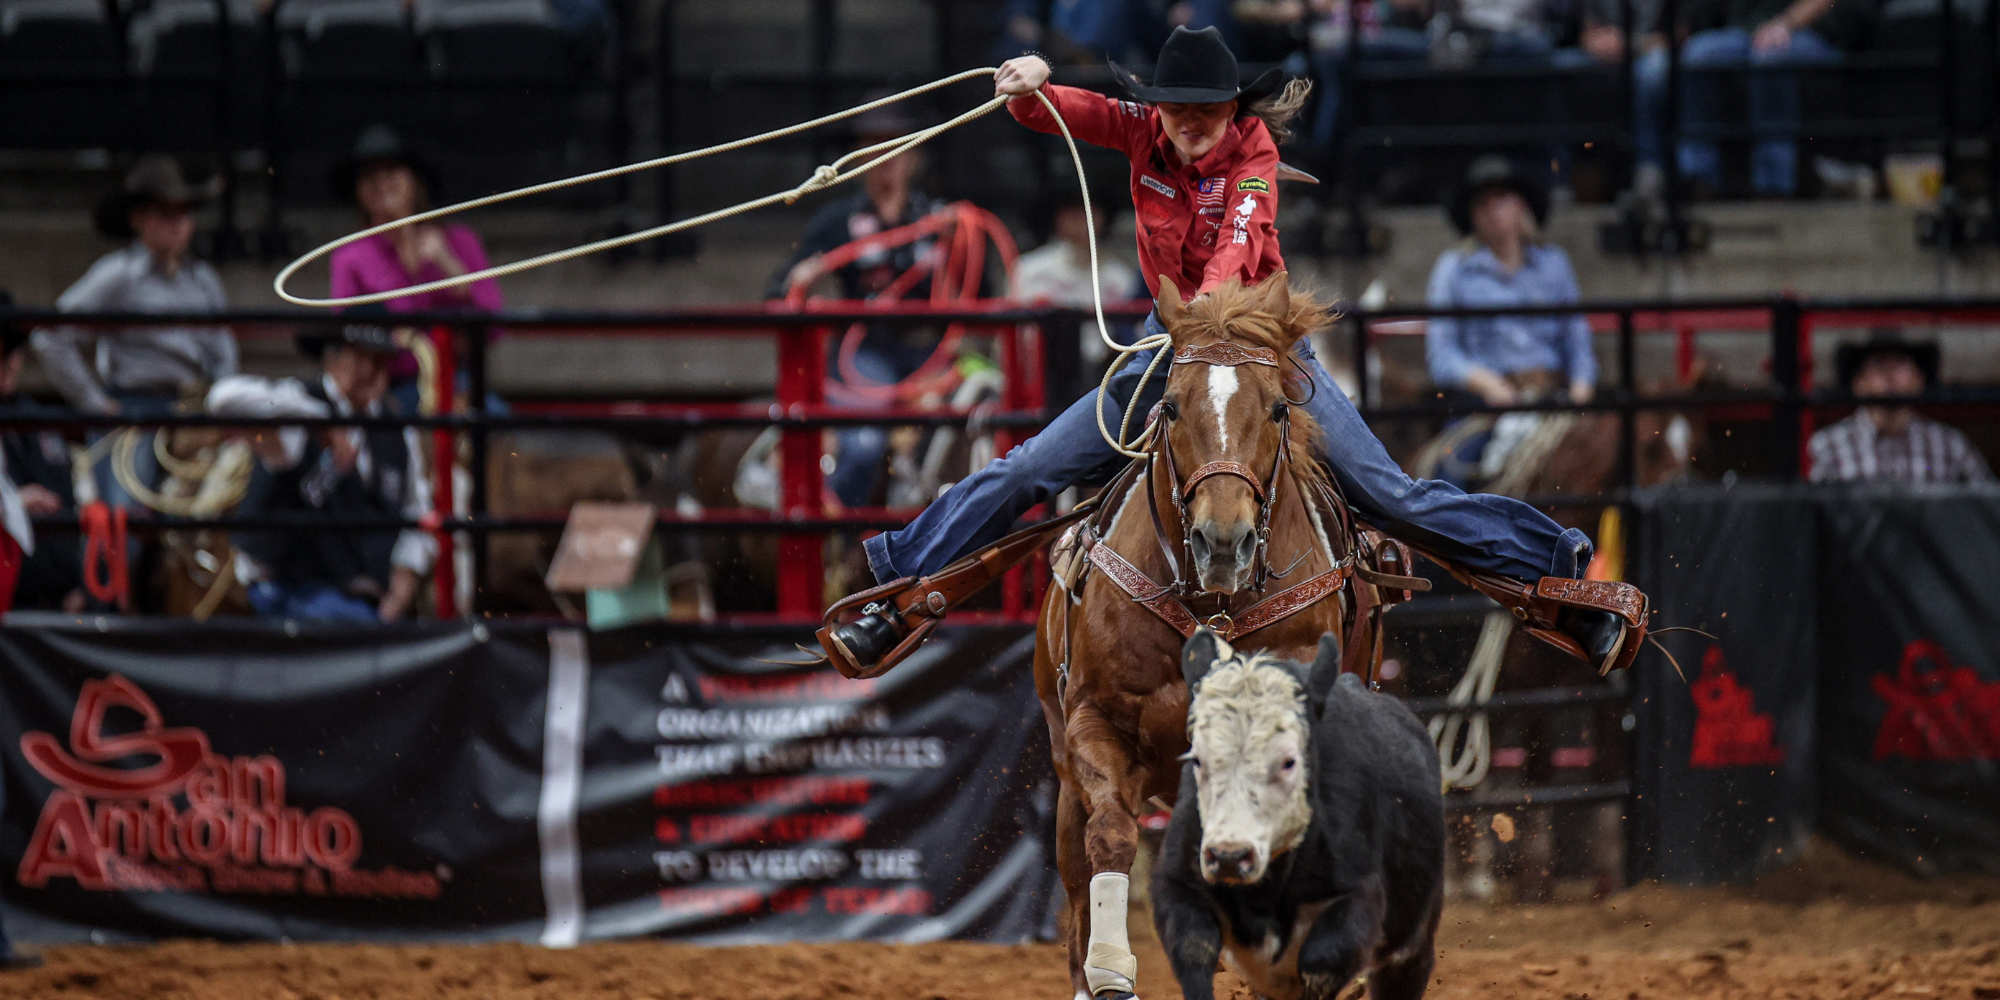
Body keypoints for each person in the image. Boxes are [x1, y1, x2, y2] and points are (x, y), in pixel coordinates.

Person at [828, 26, 1628, 673]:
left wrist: (1202, 315)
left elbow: (1238, 250)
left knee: (1392, 495)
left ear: (1231, 108)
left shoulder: (1252, 158)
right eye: (1176, 108)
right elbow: (1063, 114)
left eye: (1205, 109)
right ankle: (890, 591)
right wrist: (1031, 85)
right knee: (1032, 466)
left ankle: (1555, 579)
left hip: (1260, 350)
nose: (1189, 122)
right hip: (1166, 347)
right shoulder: (1143, 132)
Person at [766, 102, 958, 508]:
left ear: (913, 155)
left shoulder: (944, 220)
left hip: (932, 356)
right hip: (867, 356)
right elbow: (780, 287)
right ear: (857, 158)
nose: (883, 157)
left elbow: (982, 292)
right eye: (872, 145)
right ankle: (844, 546)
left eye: (894, 145)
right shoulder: (838, 221)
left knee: (981, 431)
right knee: (864, 446)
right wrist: (801, 281)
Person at [33, 155, 237, 515]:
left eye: (184, 213)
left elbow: (223, 351)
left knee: (213, 510)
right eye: (165, 213)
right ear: (139, 219)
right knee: (124, 520)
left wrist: (221, 404)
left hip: (192, 410)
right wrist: (94, 403)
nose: (178, 225)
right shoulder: (118, 275)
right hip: (133, 410)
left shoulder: (203, 280)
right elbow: (50, 336)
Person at [223, 320, 436, 621]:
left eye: (380, 361)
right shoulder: (296, 408)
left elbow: (418, 515)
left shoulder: (398, 433)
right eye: (361, 358)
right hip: (291, 589)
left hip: (366, 599)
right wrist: (318, 420)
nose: (371, 372)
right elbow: (224, 399)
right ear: (332, 359)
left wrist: (403, 581)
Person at [1424, 156, 1597, 485]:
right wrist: (1488, 384)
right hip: (1483, 410)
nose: (1492, 209)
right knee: (1450, 478)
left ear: (1522, 206)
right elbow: (1441, 356)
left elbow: (1578, 342)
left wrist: (1580, 391)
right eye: (1482, 202)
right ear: (1472, 214)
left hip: (1553, 400)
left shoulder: (1554, 264)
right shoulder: (1454, 269)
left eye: (1501, 197)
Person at [329, 124, 503, 414]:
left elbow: (494, 326)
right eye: (370, 176)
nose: (381, 182)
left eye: (392, 171)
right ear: (358, 191)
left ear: (415, 182)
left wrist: (450, 267)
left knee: (496, 423)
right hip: (389, 388)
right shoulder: (350, 257)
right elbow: (346, 333)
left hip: (458, 382)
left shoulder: (460, 241)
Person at [1677, 0, 1848, 197]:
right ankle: (1698, 176)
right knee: (1698, 53)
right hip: (1747, 33)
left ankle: (1774, 184)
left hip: (1808, 33)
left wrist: (1785, 23)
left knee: (1769, 57)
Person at [1808, 333, 1991, 484]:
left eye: (1900, 363)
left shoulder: (1949, 447)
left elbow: (1987, 513)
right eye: (1879, 364)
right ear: (1859, 382)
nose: (1890, 374)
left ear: (1919, 380)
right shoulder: (1827, 449)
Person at [0, 297, 83, 614]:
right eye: (3, 354)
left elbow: (67, 501)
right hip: (11, 599)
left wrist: (78, 583)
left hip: (56, 597)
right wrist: (14, 503)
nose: (10, 364)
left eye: (14, 353)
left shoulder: (41, 421)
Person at [1012, 189, 1143, 366]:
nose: (1083, 221)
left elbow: (1133, 334)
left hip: (1105, 370)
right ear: (1058, 217)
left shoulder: (1119, 275)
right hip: (1045, 368)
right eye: (1074, 214)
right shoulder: (1030, 270)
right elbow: (1020, 334)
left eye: (1090, 213)